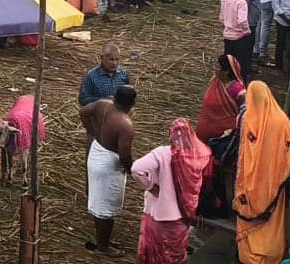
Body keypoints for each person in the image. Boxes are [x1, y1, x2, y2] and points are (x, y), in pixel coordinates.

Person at [131, 118, 212, 264]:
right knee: (175, 253)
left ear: (171, 135)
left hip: (160, 214)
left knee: (156, 254)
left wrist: (150, 187)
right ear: (190, 135)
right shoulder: (200, 156)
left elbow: (136, 169)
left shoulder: (162, 154)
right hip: (183, 215)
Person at [233, 81, 290, 264]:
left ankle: (249, 255)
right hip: (272, 183)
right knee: (272, 220)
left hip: (249, 185)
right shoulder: (282, 120)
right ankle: (271, 252)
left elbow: (241, 151)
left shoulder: (248, 120)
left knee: (249, 218)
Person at [80, 86, 136, 257]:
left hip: (96, 151)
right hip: (108, 164)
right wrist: (130, 169)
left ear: (114, 98)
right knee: (106, 208)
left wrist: (92, 131)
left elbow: (83, 111)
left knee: (99, 203)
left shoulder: (103, 104)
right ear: (132, 103)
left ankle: (103, 240)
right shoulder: (125, 125)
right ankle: (103, 247)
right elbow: (125, 155)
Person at [196, 55, 245, 141]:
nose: (215, 69)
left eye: (218, 67)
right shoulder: (216, 82)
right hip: (205, 133)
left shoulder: (237, 89)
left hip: (223, 138)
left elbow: (245, 110)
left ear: (226, 71)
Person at [221, 0, 254, 77]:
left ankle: (230, 78)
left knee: (230, 59)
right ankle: (240, 80)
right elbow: (242, 20)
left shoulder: (226, 0)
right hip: (239, 37)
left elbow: (222, 18)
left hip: (227, 36)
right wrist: (247, 31)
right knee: (240, 61)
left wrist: (228, 25)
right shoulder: (241, 2)